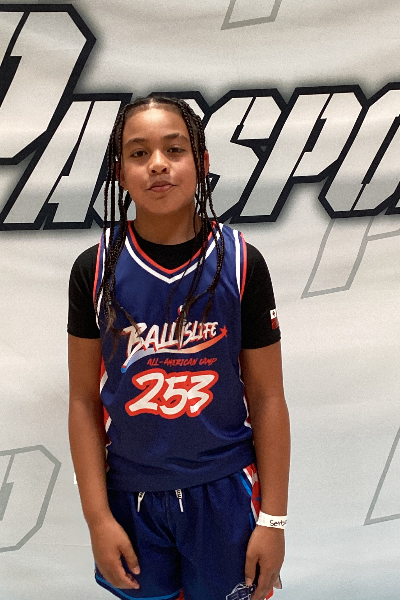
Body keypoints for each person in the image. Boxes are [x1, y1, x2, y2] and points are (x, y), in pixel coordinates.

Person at [68, 95, 290, 600]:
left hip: (225, 489)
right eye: (138, 153)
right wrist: (97, 518)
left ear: (202, 162)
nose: (158, 164)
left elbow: (268, 398)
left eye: (174, 149)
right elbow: (82, 401)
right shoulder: (95, 269)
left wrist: (273, 519)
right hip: (131, 494)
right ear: (120, 172)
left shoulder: (241, 263)